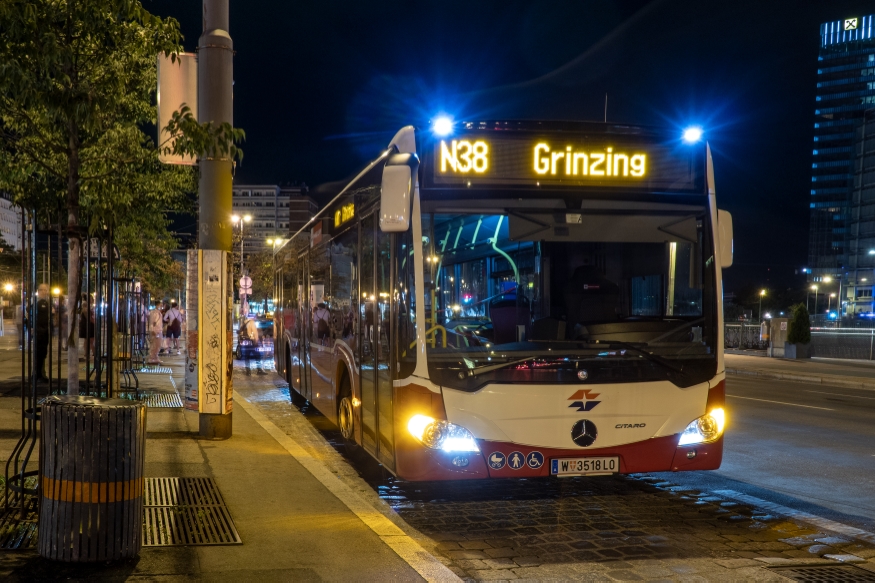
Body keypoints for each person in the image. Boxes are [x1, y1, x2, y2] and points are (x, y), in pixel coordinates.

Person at [31, 284, 51, 383]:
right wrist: (32, 327)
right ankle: (37, 374)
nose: (43, 291)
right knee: (39, 354)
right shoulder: (36, 303)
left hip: (45, 332)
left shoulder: (47, 303)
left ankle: (40, 373)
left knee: (43, 354)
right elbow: (29, 314)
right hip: (39, 332)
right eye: (41, 290)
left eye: (45, 290)